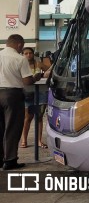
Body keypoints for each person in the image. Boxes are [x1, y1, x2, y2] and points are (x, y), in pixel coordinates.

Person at [0, 34, 42, 170]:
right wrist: (36, 76)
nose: (22, 48)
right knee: (12, 128)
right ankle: (10, 160)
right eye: (22, 46)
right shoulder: (20, 59)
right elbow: (27, 81)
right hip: (12, 95)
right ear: (19, 45)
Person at [20, 47, 48, 149]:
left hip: (41, 92)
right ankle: (24, 140)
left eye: (30, 53)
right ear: (22, 55)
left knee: (39, 117)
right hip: (27, 93)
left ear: (33, 54)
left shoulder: (39, 64)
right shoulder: (21, 65)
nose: (28, 55)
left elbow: (49, 71)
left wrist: (44, 75)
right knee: (27, 117)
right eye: (26, 53)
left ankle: (39, 141)